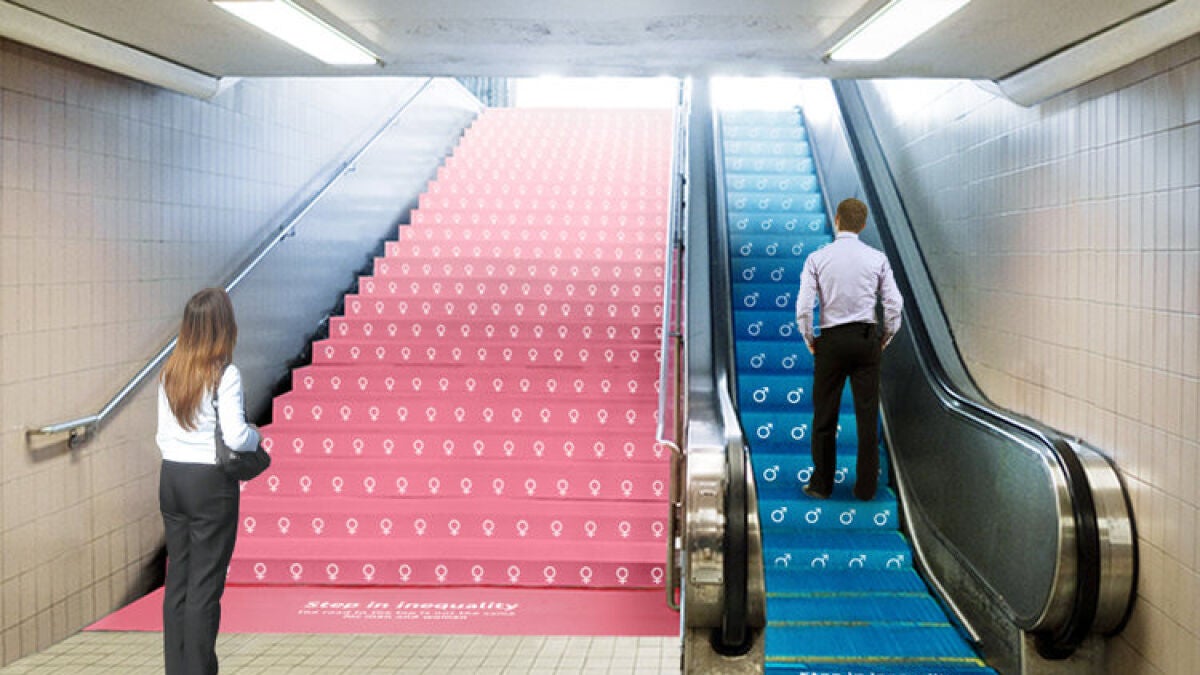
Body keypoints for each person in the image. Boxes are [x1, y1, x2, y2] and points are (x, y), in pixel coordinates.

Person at [156, 288, 260, 675]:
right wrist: (256, 437)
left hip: (171, 478)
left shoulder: (170, 370)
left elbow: (162, 432)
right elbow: (235, 437)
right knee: (204, 585)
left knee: (178, 581)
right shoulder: (224, 374)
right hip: (208, 485)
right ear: (223, 326)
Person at [795, 198, 902, 502]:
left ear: (837, 220)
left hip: (831, 341)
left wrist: (809, 338)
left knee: (825, 415)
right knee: (867, 416)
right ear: (863, 225)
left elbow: (804, 306)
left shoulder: (817, 259)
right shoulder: (877, 259)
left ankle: (822, 484)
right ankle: (866, 487)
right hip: (866, 338)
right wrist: (885, 337)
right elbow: (894, 303)